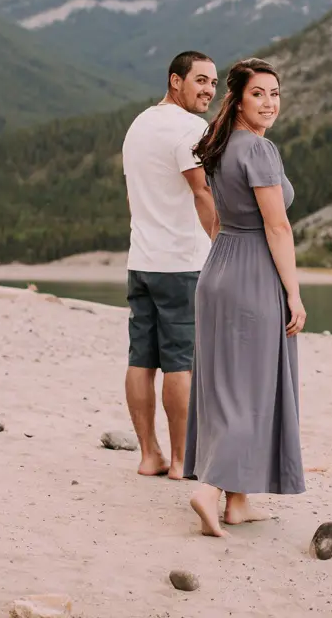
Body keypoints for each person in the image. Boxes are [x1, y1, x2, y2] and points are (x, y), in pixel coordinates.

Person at [183, 57, 307, 537]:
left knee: (224, 389)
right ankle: (210, 490)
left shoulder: (219, 145)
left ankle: (238, 503)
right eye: (259, 93)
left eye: (275, 93)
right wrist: (293, 294)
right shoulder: (258, 150)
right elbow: (277, 225)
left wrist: (222, 264)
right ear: (237, 98)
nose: (270, 102)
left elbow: (216, 220)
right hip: (252, 274)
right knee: (252, 392)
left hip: (218, 269)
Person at [120, 50, 218, 479]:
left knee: (141, 360)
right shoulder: (192, 128)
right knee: (181, 363)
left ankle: (149, 455)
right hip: (181, 263)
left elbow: (136, 192)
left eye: (213, 83)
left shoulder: (139, 124)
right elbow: (202, 192)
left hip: (141, 260)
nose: (209, 90)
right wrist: (222, 243)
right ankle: (181, 461)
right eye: (200, 81)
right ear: (175, 81)